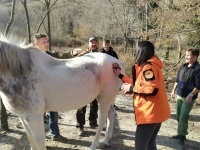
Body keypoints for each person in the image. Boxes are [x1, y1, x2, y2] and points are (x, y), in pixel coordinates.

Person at [112, 41, 170, 150]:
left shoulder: (148, 68)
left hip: (150, 114)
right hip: (156, 113)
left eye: (136, 51)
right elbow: (139, 84)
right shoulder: (150, 66)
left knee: (140, 146)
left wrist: (131, 88)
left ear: (141, 52)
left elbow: (152, 89)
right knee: (150, 144)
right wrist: (120, 75)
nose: (135, 53)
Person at [33, 33, 81, 142]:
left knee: (53, 113)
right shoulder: (31, 57)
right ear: (36, 44)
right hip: (36, 92)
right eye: (43, 42)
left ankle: (55, 135)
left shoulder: (51, 54)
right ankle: (39, 139)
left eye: (47, 41)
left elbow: (61, 55)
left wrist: (72, 53)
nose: (46, 44)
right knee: (37, 117)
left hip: (51, 91)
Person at [171, 48, 200, 147]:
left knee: (183, 116)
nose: (186, 57)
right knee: (179, 116)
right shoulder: (183, 66)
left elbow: (198, 86)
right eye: (186, 55)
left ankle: (182, 136)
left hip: (189, 97)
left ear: (195, 57)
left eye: (188, 55)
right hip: (179, 95)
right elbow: (177, 80)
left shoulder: (198, 69)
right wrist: (173, 90)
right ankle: (181, 133)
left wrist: (191, 95)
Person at [75, 36, 99, 136]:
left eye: (95, 42)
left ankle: (93, 122)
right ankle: (79, 126)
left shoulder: (102, 55)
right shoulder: (82, 54)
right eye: (92, 42)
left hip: (96, 84)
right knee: (81, 106)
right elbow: (74, 64)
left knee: (94, 105)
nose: (94, 44)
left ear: (98, 44)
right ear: (88, 43)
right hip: (83, 84)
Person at [99, 39, 119, 111]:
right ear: (102, 44)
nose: (106, 45)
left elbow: (117, 62)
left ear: (109, 44)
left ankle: (112, 104)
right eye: (105, 44)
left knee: (112, 91)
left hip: (112, 74)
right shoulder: (100, 53)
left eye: (107, 44)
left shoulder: (113, 53)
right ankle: (102, 103)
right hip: (102, 75)